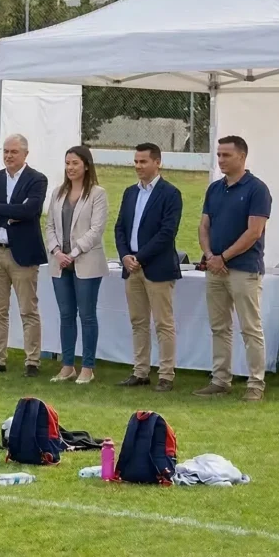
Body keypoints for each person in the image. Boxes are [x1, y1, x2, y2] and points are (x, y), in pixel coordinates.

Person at [196, 135, 272, 402]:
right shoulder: (215, 189)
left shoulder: (256, 189)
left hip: (243, 269)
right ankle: (220, 379)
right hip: (215, 268)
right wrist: (209, 255)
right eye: (218, 155)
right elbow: (204, 225)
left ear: (242, 156)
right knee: (219, 326)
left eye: (226, 155)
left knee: (250, 327)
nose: (220, 160)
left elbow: (254, 232)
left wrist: (223, 257)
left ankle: (255, 383)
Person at [0, 134, 48, 376]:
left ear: (25, 154)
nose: (8, 156)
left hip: (23, 254)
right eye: (5, 151)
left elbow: (30, 210)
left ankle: (32, 361)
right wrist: (8, 216)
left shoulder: (36, 179)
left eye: (13, 152)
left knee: (28, 309)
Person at [114, 143, 183, 392]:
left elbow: (167, 233)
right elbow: (120, 227)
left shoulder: (170, 194)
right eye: (136, 162)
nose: (138, 166)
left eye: (143, 162)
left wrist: (140, 257)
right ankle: (140, 371)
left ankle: (166, 374)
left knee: (163, 323)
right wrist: (124, 256)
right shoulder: (130, 193)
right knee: (138, 322)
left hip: (157, 267)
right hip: (131, 267)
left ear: (157, 163)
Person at [43, 146, 108, 384]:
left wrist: (74, 251)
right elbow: (49, 225)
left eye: (75, 163)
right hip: (60, 262)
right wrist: (57, 251)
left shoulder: (97, 194)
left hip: (86, 262)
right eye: (67, 163)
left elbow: (96, 229)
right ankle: (67, 365)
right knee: (66, 314)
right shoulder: (58, 193)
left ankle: (87, 367)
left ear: (86, 166)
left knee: (87, 315)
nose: (70, 168)